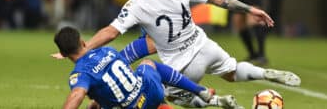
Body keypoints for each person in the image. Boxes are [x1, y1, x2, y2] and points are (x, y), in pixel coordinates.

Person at [54, 0, 301, 108]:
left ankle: (214, 101)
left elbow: (110, 32)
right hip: (205, 45)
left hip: (182, 65)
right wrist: (250, 10)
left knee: (167, 96)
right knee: (232, 70)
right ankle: (264, 73)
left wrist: (85, 50)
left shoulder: (136, 5)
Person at [54, 26, 239, 109]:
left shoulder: (79, 74)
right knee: (147, 64)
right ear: (83, 41)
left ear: (63, 54)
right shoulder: (107, 51)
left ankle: (205, 99)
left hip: (131, 106)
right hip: (151, 93)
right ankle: (200, 90)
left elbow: (77, 94)